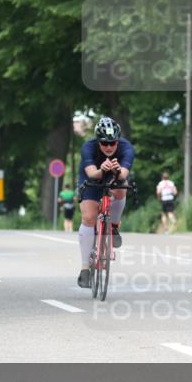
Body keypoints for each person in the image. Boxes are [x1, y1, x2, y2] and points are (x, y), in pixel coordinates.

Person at [76, 117, 134, 289]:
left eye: (112, 143)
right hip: (92, 177)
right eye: (104, 143)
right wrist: (102, 169)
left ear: (118, 141)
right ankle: (85, 269)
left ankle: (114, 226)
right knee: (89, 217)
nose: (109, 147)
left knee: (121, 189)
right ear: (98, 141)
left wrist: (116, 171)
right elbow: (92, 174)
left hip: (114, 175)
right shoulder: (88, 147)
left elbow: (123, 175)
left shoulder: (126, 148)